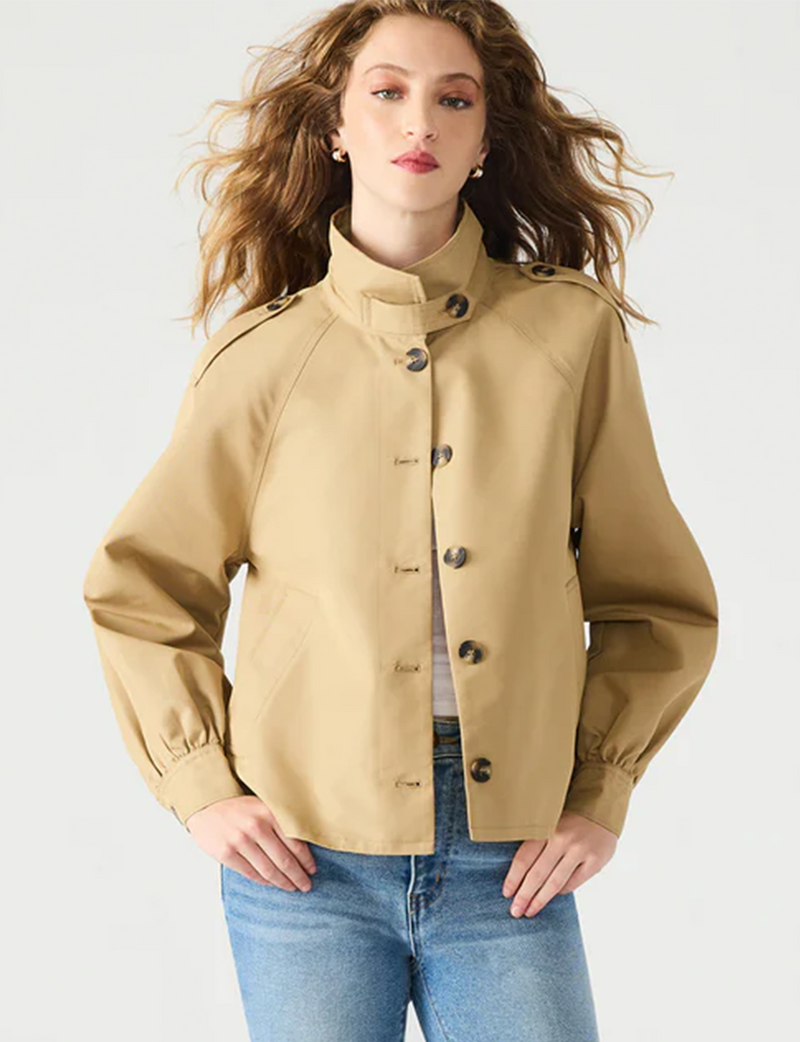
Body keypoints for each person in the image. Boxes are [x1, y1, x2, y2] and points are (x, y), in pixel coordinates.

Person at [82, 2, 719, 1039]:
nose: (418, 121)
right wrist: (200, 786)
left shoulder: (571, 336)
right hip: (303, 860)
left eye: (452, 100)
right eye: (386, 93)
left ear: (484, 140)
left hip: (508, 858)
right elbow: (143, 589)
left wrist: (598, 792)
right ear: (336, 129)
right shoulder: (262, 360)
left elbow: (655, 602)